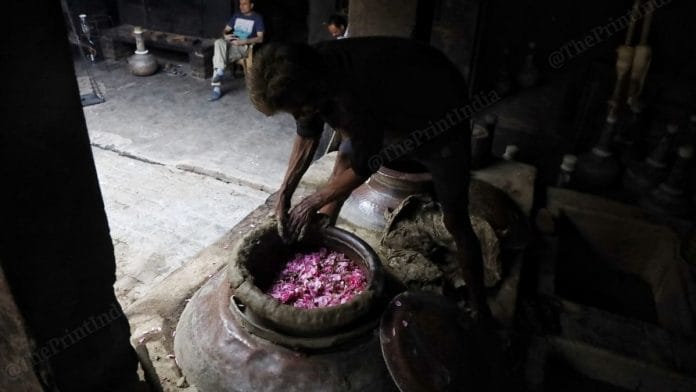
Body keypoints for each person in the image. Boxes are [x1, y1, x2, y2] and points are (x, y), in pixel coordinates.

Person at [247, 37, 492, 320]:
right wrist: (285, 192)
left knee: (456, 220)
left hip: (439, 116)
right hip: (384, 111)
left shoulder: (353, 88)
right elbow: (307, 133)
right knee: (343, 158)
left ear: (313, 91)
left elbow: (367, 164)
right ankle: (323, 241)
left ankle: (480, 308)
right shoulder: (305, 76)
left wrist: (315, 199)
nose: (299, 114)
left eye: (299, 108)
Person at [209, 0, 265, 101]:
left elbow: (260, 38)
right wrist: (225, 36)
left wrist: (245, 41)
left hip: (243, 47)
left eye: (244, 4)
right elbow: (225, 30)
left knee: (217, 56)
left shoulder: (257, 18)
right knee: (218, 42)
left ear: (251, 5)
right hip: (231, 43)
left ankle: (216, 88)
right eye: (240, 4)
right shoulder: (237, 15)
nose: (241, 6)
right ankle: (220, 71)